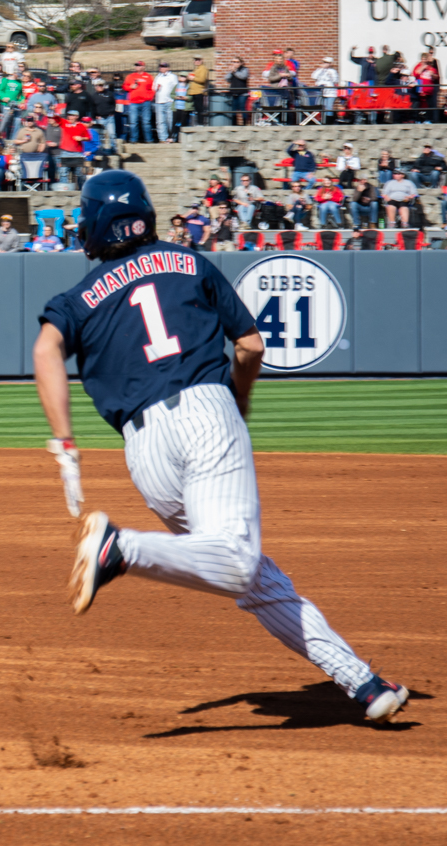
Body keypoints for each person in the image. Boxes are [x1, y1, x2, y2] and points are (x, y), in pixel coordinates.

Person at [31, 169, 410, 726]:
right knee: (234, 562)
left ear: (100, 224)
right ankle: (120, 548)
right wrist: (241, 398)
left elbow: (46, 350)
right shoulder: (189, 262)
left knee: (252, 576)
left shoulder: (78, 298)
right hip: (206, 414)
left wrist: (64, 441)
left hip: (144, 453)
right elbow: (251, 347)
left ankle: (362, 682)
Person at [122, 61, 155, 144]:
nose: (137, 67)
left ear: (143, 67)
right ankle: (134, 140)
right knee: (133, 122)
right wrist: (131, 87)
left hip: (145, 102)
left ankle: (149, 140)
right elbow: (124, 86)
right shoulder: (130, 76)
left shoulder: (149, 77)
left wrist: (149, 97)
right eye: (136, 65)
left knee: (146, 122)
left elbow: (152, 88)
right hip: (133, 102)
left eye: (139, 65)